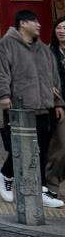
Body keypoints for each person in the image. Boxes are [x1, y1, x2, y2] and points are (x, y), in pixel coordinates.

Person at [0, 9, 65, 208]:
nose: (39, 25)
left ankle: (40, 189)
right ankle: (6, 175)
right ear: (23, 23)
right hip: (20, 107)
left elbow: (54, 78)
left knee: (41, 149)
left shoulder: (42, 49)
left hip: (43, 107)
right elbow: (0, 72)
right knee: (21, 147)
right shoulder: (6, 45)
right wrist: (4, 96)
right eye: (35, 22)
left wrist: (58, 103)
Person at [45, 18, 65, 198]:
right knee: (60, 147)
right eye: (59, 27)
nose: (62, 31)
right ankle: (52, 184)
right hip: (60, 106)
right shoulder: (49, 52)